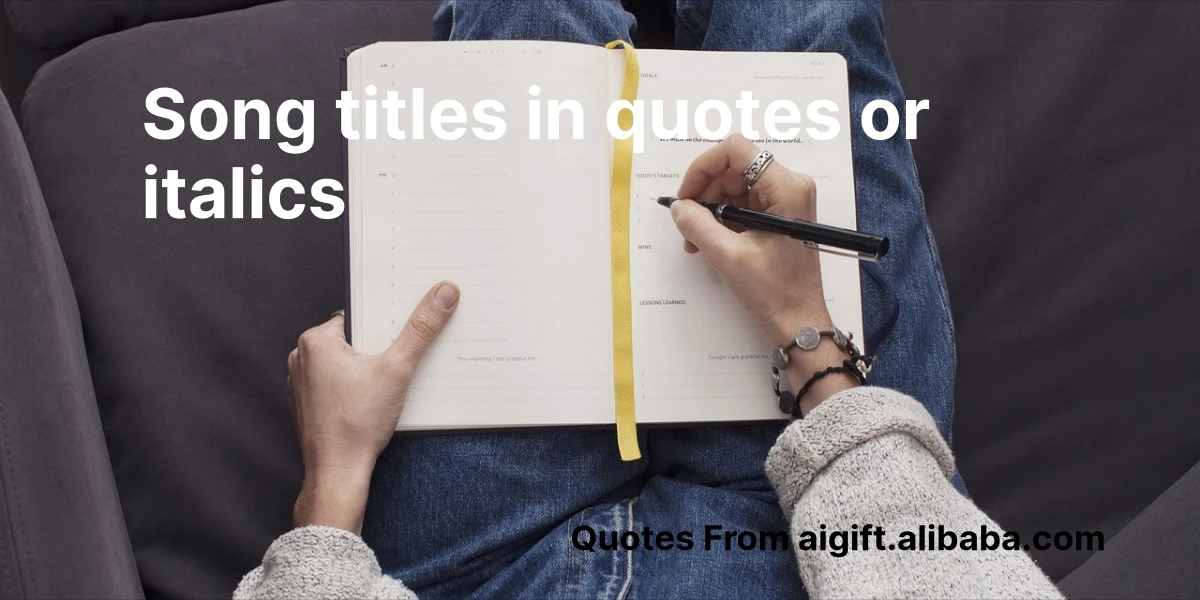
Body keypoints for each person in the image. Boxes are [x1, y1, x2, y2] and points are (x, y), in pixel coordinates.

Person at [246, 1, 974, 597]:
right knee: (808, 30)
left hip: (489, 571)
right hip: (808, 540)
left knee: (526, 19)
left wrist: (330, 491)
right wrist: (808, 339)